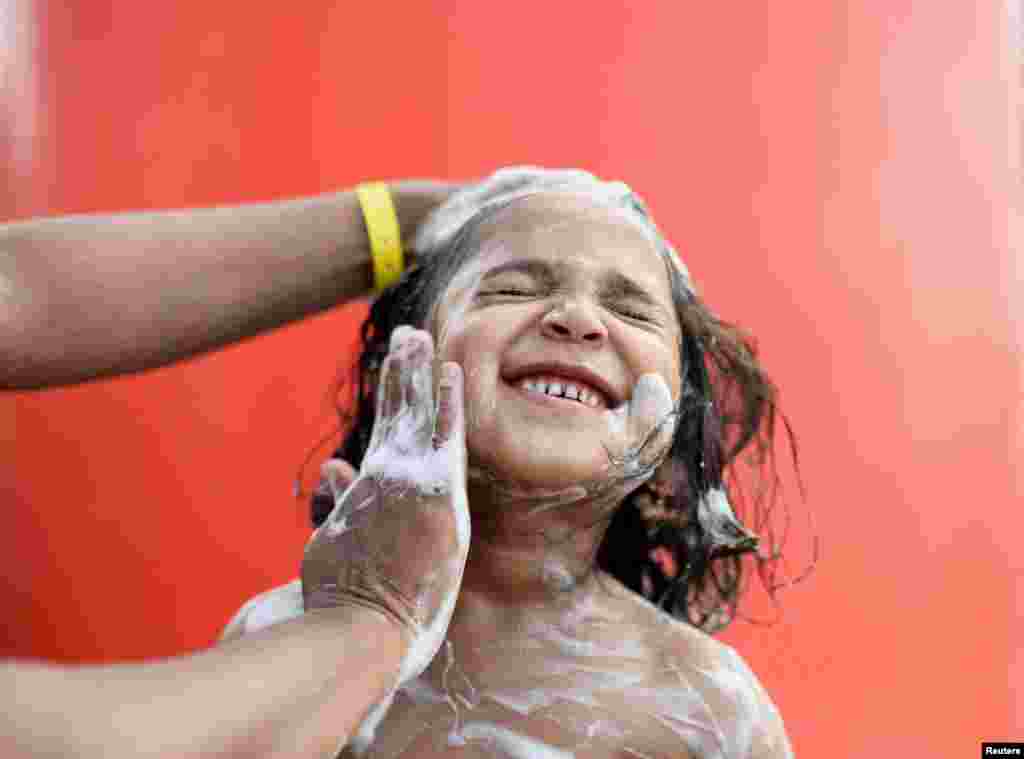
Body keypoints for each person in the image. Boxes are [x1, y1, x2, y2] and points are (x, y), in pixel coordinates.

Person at [224, 167, 800, 758]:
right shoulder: (289, 641)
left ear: (678, 435)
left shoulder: (706, 711)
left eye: (632, 312)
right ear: (405, 363)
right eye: (512, 290)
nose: (577, 318)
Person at [1, 179, 462, 757]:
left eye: (617, 305)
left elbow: (16, 286)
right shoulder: (272, 631)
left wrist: (401, 221)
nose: (576, 319)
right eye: (513, 289)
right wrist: (367, 626)